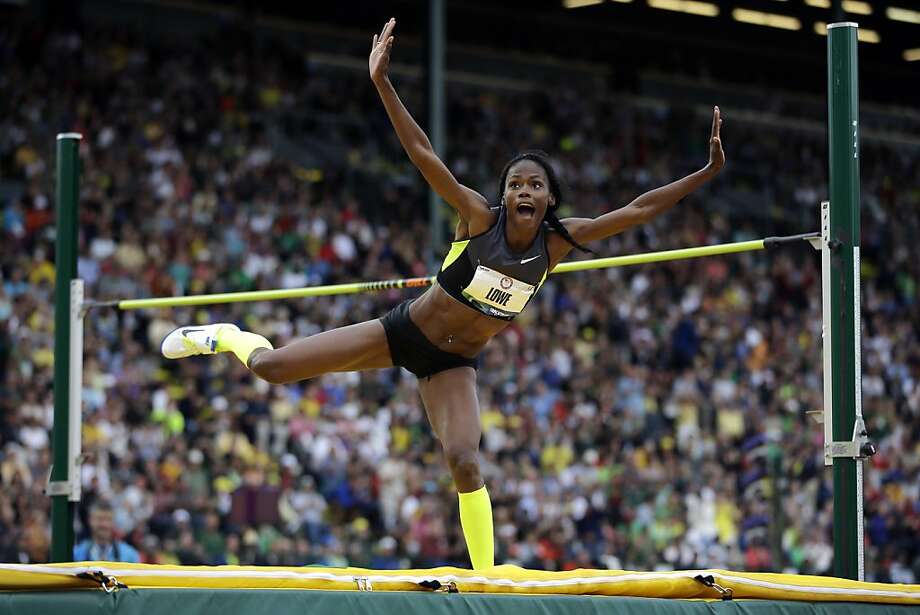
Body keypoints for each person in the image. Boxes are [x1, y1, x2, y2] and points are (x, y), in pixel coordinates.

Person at [160, 18, 725, 570]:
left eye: (535, 185)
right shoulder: (479, 219)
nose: (523, 190)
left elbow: (638, 209)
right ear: (504, 194)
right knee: (272, 369)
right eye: (515, 183)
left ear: (549, 199)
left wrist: (704, 173)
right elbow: (424, 155)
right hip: (403, 333)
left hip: (454, 365)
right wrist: (383, 83)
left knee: (464, 462)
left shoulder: (557, 243)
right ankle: (226, 335)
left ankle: (486, 581)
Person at [73, 499, 141, 563]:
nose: (104, 524)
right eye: (100, 519)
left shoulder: (129, 555)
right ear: (90, 520)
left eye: (108, 519)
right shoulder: (78, 553)